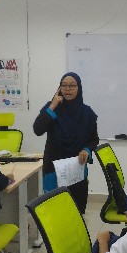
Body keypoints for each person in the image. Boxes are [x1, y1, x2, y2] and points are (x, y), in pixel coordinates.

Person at [33, 72, 98, 215]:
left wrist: (86, 150)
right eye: (64, 85)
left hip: (76, 167)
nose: (68, 89)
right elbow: (37, 129)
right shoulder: (51, 108)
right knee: (54, 210)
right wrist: (53, 105)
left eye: (72, 86)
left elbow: (94, 139)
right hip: (53, 167)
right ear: (59, 88)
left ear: (79, 88)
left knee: (76, 210)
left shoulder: (87, 112)